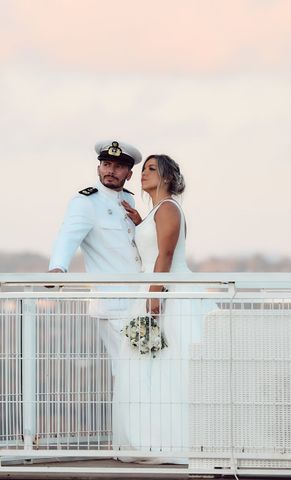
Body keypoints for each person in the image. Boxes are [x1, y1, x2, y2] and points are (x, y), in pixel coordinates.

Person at [115, 154, 216, 464]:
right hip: (153, 288)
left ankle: (175, 440)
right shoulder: (156, 212)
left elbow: (166, 255)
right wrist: (140, 223)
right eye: (143, 168)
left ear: (168, 178)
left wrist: (155, 297)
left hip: (168, 293)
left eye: (151, 169)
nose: (143, 174)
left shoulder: (169, 208)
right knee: (149, 368)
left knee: (171, 367)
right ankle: (152, 438)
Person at [48, 139, 143, 368]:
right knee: (128, 371)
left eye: (118, 167)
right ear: (98, 167)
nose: (110, 171)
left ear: (129, 174)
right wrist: (58, 268)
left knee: (139, 371)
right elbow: (67, 235)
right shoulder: (85, 201)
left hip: (137, 301)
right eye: (106, 164)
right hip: (113, 304)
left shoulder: (128, 199)